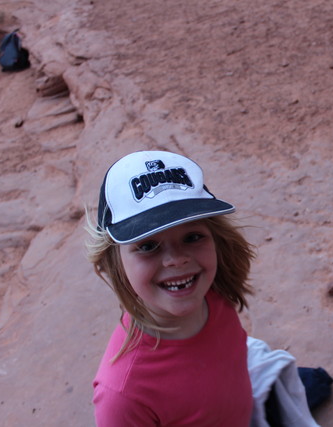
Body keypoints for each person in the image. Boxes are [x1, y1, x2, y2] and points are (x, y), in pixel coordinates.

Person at [87, 150, 255, 426]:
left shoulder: (214, 294)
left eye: (192, 236)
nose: (176, 260)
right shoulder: (123, 394)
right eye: (148, 246)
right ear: (113, 262)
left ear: (217, 240)